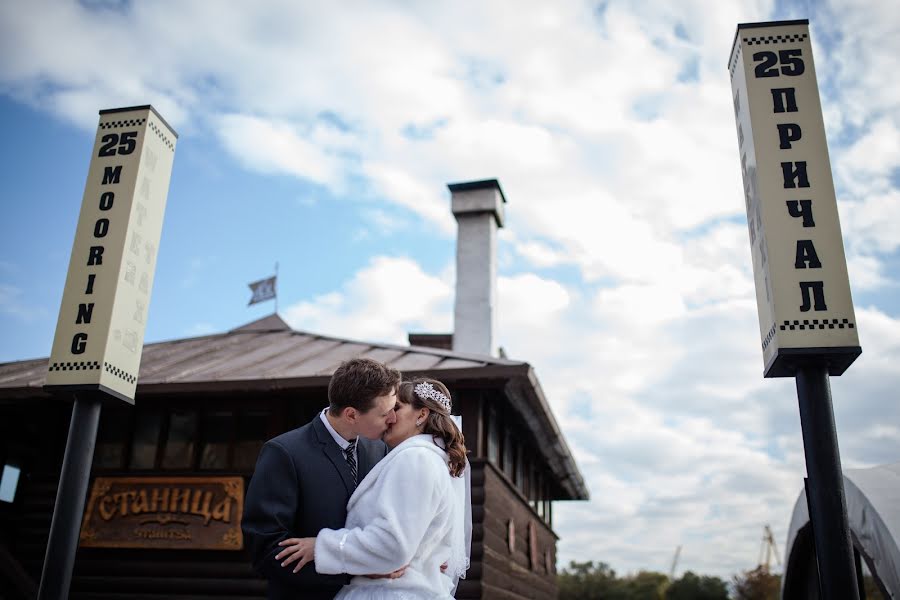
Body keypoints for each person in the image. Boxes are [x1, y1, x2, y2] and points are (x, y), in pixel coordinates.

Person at [275, 377, 471, 599]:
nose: (390, 417)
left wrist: (321, 547)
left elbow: (393, 546)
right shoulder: (430, 459)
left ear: (422, 415)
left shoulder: (415, 459)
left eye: (397, 407)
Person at [242, 358, 402, 600]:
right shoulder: (284, 452)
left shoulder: (379, 449)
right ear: (351, 414)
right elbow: (266, 549)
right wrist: (355, 570)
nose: (393, 419)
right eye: (385, 413)